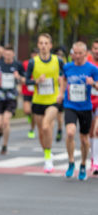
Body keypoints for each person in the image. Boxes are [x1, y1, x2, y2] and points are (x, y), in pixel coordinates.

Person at [25, 33, 64, 173]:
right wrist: (35, 81)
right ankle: (47, 153)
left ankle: (48, 159)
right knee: (41, 132)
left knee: (47, 126)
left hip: (53, 100)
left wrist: (62, 92)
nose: (43, 46)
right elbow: (26, 80)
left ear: (50, 46)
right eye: (41, 43)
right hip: (38, 101)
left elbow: (65, 76)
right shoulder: (33, 62)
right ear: (38, 45)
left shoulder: (57, 61)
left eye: (46, 43)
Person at [60, 41, 98, 180]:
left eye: (80, 53)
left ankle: (82, 164)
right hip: (70, 105)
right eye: (75, 53)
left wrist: (92, 83)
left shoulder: (92, 69)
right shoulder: (67, 67)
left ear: (85, 54)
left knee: (84, 139)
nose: (77, 56)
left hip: (86, 107)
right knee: (70, 133)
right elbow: (63, 79)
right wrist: (60, 93)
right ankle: (71, 162)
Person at [0, 45, 25, 154]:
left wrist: (18, 78)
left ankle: (4, 145)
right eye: (6, 54)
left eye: (9, 54)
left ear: (13, 54)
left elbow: (25, 79)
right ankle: (0, 132)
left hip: (11, 97)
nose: (7, 56)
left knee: (6, 121)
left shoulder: (17, 65)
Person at [86, 39, 98, 175]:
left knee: (97, 131)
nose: (97, 51)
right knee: (89, 132)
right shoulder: (87, 62)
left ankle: (96, 162)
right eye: (95, 48)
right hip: (88, 101)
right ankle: (92, 156)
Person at [22, 48, 39, 139]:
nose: (34, 56)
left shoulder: (40, 64)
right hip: (27, 90)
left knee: (34, 113)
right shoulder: (25, 63)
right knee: (27, 110)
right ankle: (30, 117)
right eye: (33, 54)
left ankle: (32, 129)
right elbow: (22, 75)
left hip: (37, 91)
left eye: (36, 54)